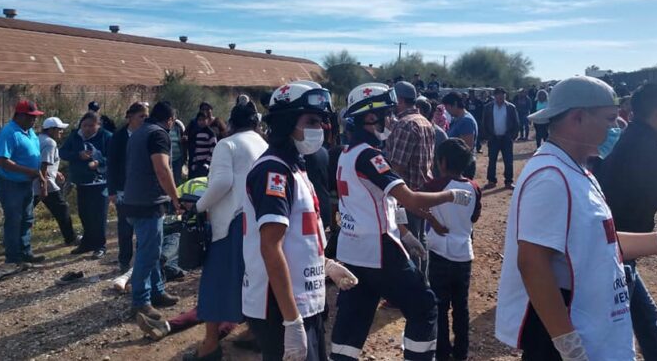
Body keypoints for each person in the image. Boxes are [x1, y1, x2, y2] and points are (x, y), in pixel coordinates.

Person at [495, 75, 657, 360]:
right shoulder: (551, 177)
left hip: (591, 324)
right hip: (567, 333)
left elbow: (600, 242)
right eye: (610, 118)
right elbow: (533, 263)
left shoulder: (577, 169)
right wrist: (569, 346)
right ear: (578, 118)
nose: (617, 126)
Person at [330, 83, 472, 361]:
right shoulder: (370, 156)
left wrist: (405, 233)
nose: (392, 120)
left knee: (354, 317)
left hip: (353, 249)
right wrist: (451, 195)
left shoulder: (345, 154)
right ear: (370, 118)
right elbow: (410, 199)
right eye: (388, 114)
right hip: (380, 250)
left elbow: (379, 202)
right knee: (424, 306)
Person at [243, 81, 357, 361]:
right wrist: (291, 322)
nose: (321, 128)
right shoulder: (274, 172)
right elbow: (271, 247)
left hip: (304, 299)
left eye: (321, 121)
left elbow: (301, 235)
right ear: (286, 122)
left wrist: (325, 265)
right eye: (312, 121)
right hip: (280, 307)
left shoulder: (294, 166)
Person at [177, 98, 268, 360]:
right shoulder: (262, 143)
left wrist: (198, 207)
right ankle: (254, 333)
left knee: (215, 283)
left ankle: (209, 346)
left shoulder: (227, 145)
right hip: (258, 219)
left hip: (231, 223)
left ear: (230, 123)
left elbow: (221, 183)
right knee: (252, 279)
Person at [598, 82, 657, 360]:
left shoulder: (633, 139)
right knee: (615, 324)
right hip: (617, 248)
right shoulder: (647, 150)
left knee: (646, 316)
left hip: (617, 245)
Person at [423, 138, 482, 361]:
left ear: (443, 162)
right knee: (461, 307)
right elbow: (475, 216)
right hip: (464, 254)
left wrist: (433, 221)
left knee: (440, 307)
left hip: (440, 253)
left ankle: (442, 353)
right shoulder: (474, 187)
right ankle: (461, 354)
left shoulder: (436, 186)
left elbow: (414, 202)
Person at [125, 100, 182, 321]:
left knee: (152, 249)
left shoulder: (139, 132)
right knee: (148, 253)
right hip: (148, 202)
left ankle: (157, 291)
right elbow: (162, 168)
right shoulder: (159, 134)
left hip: (134, 199)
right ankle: (140, 302)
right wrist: (175, 197)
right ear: (169, 120)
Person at [383, 81, 436, 271]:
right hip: (422, 190)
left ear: (400, 100)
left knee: (408, 242)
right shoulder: (424, 121)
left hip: (407, 194)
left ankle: (415, 289)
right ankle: (423, 284)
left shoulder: (405, 125)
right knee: (420, 239)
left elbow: (397, 166)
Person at [0, 100, 46, 264]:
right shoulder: (9, 132)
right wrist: (29, 171)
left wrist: (39, 175)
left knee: (27, 219)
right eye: (31, 116)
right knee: (14, 220)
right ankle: (13, 257)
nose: (34, 120)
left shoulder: (29, 132)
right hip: (11, 185)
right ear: (20, 115)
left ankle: (25, 252)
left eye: (35, 117)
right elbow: (2, 160)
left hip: (26, 184)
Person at [60, 112, 113, 259]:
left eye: (91, 125)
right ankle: (87, 243)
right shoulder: (75, 136)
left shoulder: (107, 137)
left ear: (98, 125)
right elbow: (62, 152)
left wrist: (98, 162)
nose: (87, 128)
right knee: (84, 213)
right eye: (85, 125)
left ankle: (100, 245)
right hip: (81, 181)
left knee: (99, 215)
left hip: (100, 182)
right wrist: (78, 155)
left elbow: (114, 157)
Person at [107, 101, 149, 272]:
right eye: (141, 116)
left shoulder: (148, 134)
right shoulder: (118, 137)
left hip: (143, 188)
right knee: (125, 227)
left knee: (143, 226)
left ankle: (141, 261)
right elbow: (112, 165)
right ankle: (124, 260)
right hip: (123, 189)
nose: (144, 119)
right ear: (130, 117)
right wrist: (111, 191)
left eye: (147, 116)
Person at [32, 117, 77, 246]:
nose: (61, 132)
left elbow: (41, 160)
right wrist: (44, 186)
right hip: (45, 182)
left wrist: (55, 172)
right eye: (59, 129)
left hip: (36, 181)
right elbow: (44, 164)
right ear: (51, 129)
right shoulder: (50, 142)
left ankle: (10, 241)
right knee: (62, 209)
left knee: (25, 212)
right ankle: (71, 238)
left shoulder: (38, 139)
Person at [480, 87, 519, 190]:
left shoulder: (511, 107)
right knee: (492, 160)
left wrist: (512, 136)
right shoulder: (488, 107)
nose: (500, 97)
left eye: (502, 95)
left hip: (506, 138)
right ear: (494, 96)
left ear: (505, 96)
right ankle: (491, 181)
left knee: (508, 160)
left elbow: (516, 123)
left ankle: (508, 182)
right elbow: (484, 123)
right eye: (498, 95)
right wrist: (487, 136)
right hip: (493, 138)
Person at [442, 91, 479, 179]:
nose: (447, 111)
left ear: (455, 104)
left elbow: (467, 147)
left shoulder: (466, 121)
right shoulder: (458, 119)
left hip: (463, 167)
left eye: (448, 108)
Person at [188, 112, 217, 179]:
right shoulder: (197, 133)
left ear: (208, 120)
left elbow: (213, 149)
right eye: (199, 120)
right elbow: (196, 149)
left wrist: (207, 163)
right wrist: (194, 162)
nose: (201, 122)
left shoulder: (211, 133)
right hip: (198, 163)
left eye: (203, 120)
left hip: (206, 164)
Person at [169, 114, 187, 186]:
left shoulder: (178, 125)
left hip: (178, 158)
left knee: (177, 179)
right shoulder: (162, 126)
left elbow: (184, 134)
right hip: (167, 158)